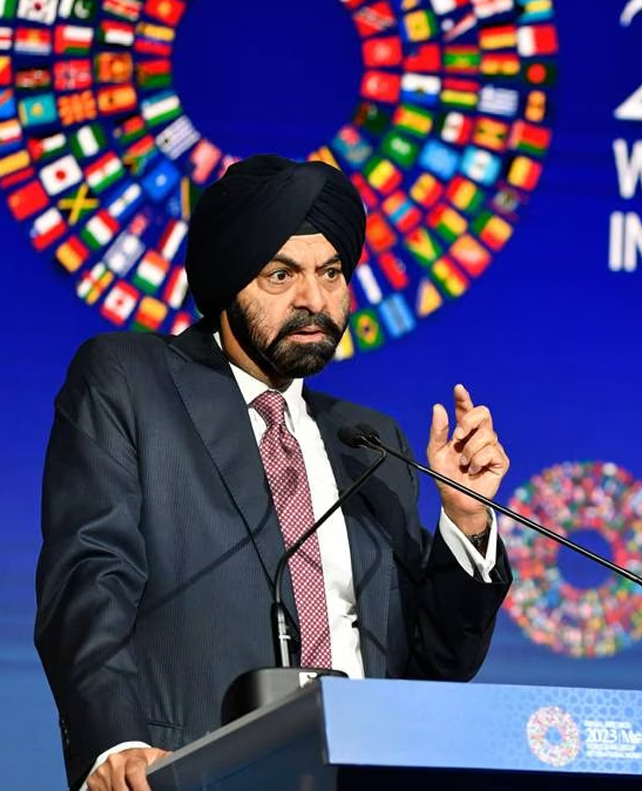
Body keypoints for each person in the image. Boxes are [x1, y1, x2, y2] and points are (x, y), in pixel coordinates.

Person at [34, 155, 512, 791]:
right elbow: (90, 576)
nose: (314, 299)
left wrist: (466, 521)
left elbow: (432, 668)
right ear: (229, 283)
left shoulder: (369, 443)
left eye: (331, 273)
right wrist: (114, 742)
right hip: (193, 773)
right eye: (281, 275)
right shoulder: (132, 382)